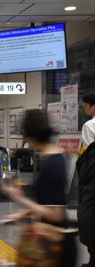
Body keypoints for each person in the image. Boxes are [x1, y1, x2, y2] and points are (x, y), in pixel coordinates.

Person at [3, 109, 76, 267]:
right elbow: (49, 201)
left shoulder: (52, 164)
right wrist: (25, 213)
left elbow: (56, 214)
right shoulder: (54, 156)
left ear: (30, 135)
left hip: (54, 246)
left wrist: (20, 199)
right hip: (50, 240)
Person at [79, 92, 95, 267]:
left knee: (89, 216)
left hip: (92, 178)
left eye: (85, 105)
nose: (83, 108)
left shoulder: (89, 125)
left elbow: (88, 154)